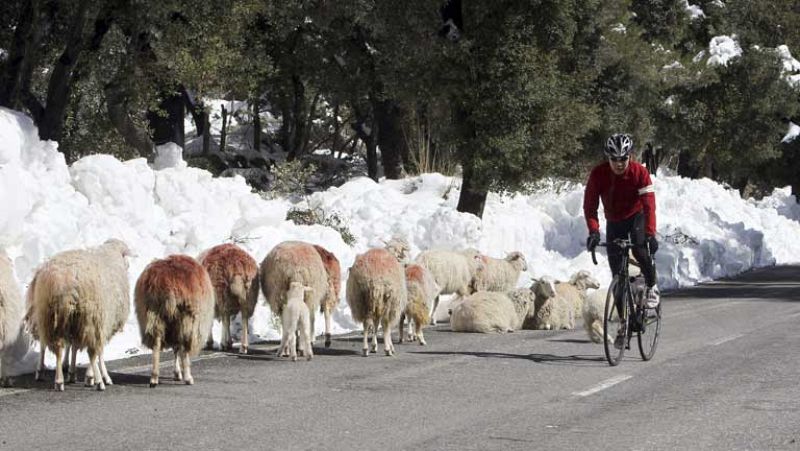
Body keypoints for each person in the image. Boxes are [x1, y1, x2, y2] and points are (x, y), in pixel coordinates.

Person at [583, 133, 659, 348]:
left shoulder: (640, 173)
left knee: (641, 248)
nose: (618, 163)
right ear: (608, 158)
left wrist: (650, 234)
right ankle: (624, 324)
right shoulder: (598, 174)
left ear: (630, 156)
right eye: (614, 159)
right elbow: (589, 207)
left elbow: (649, 206)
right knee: (618, 276)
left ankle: (651, 286)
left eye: (623, 159)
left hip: (636, 217)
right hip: (614, 221)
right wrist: (594, 232)